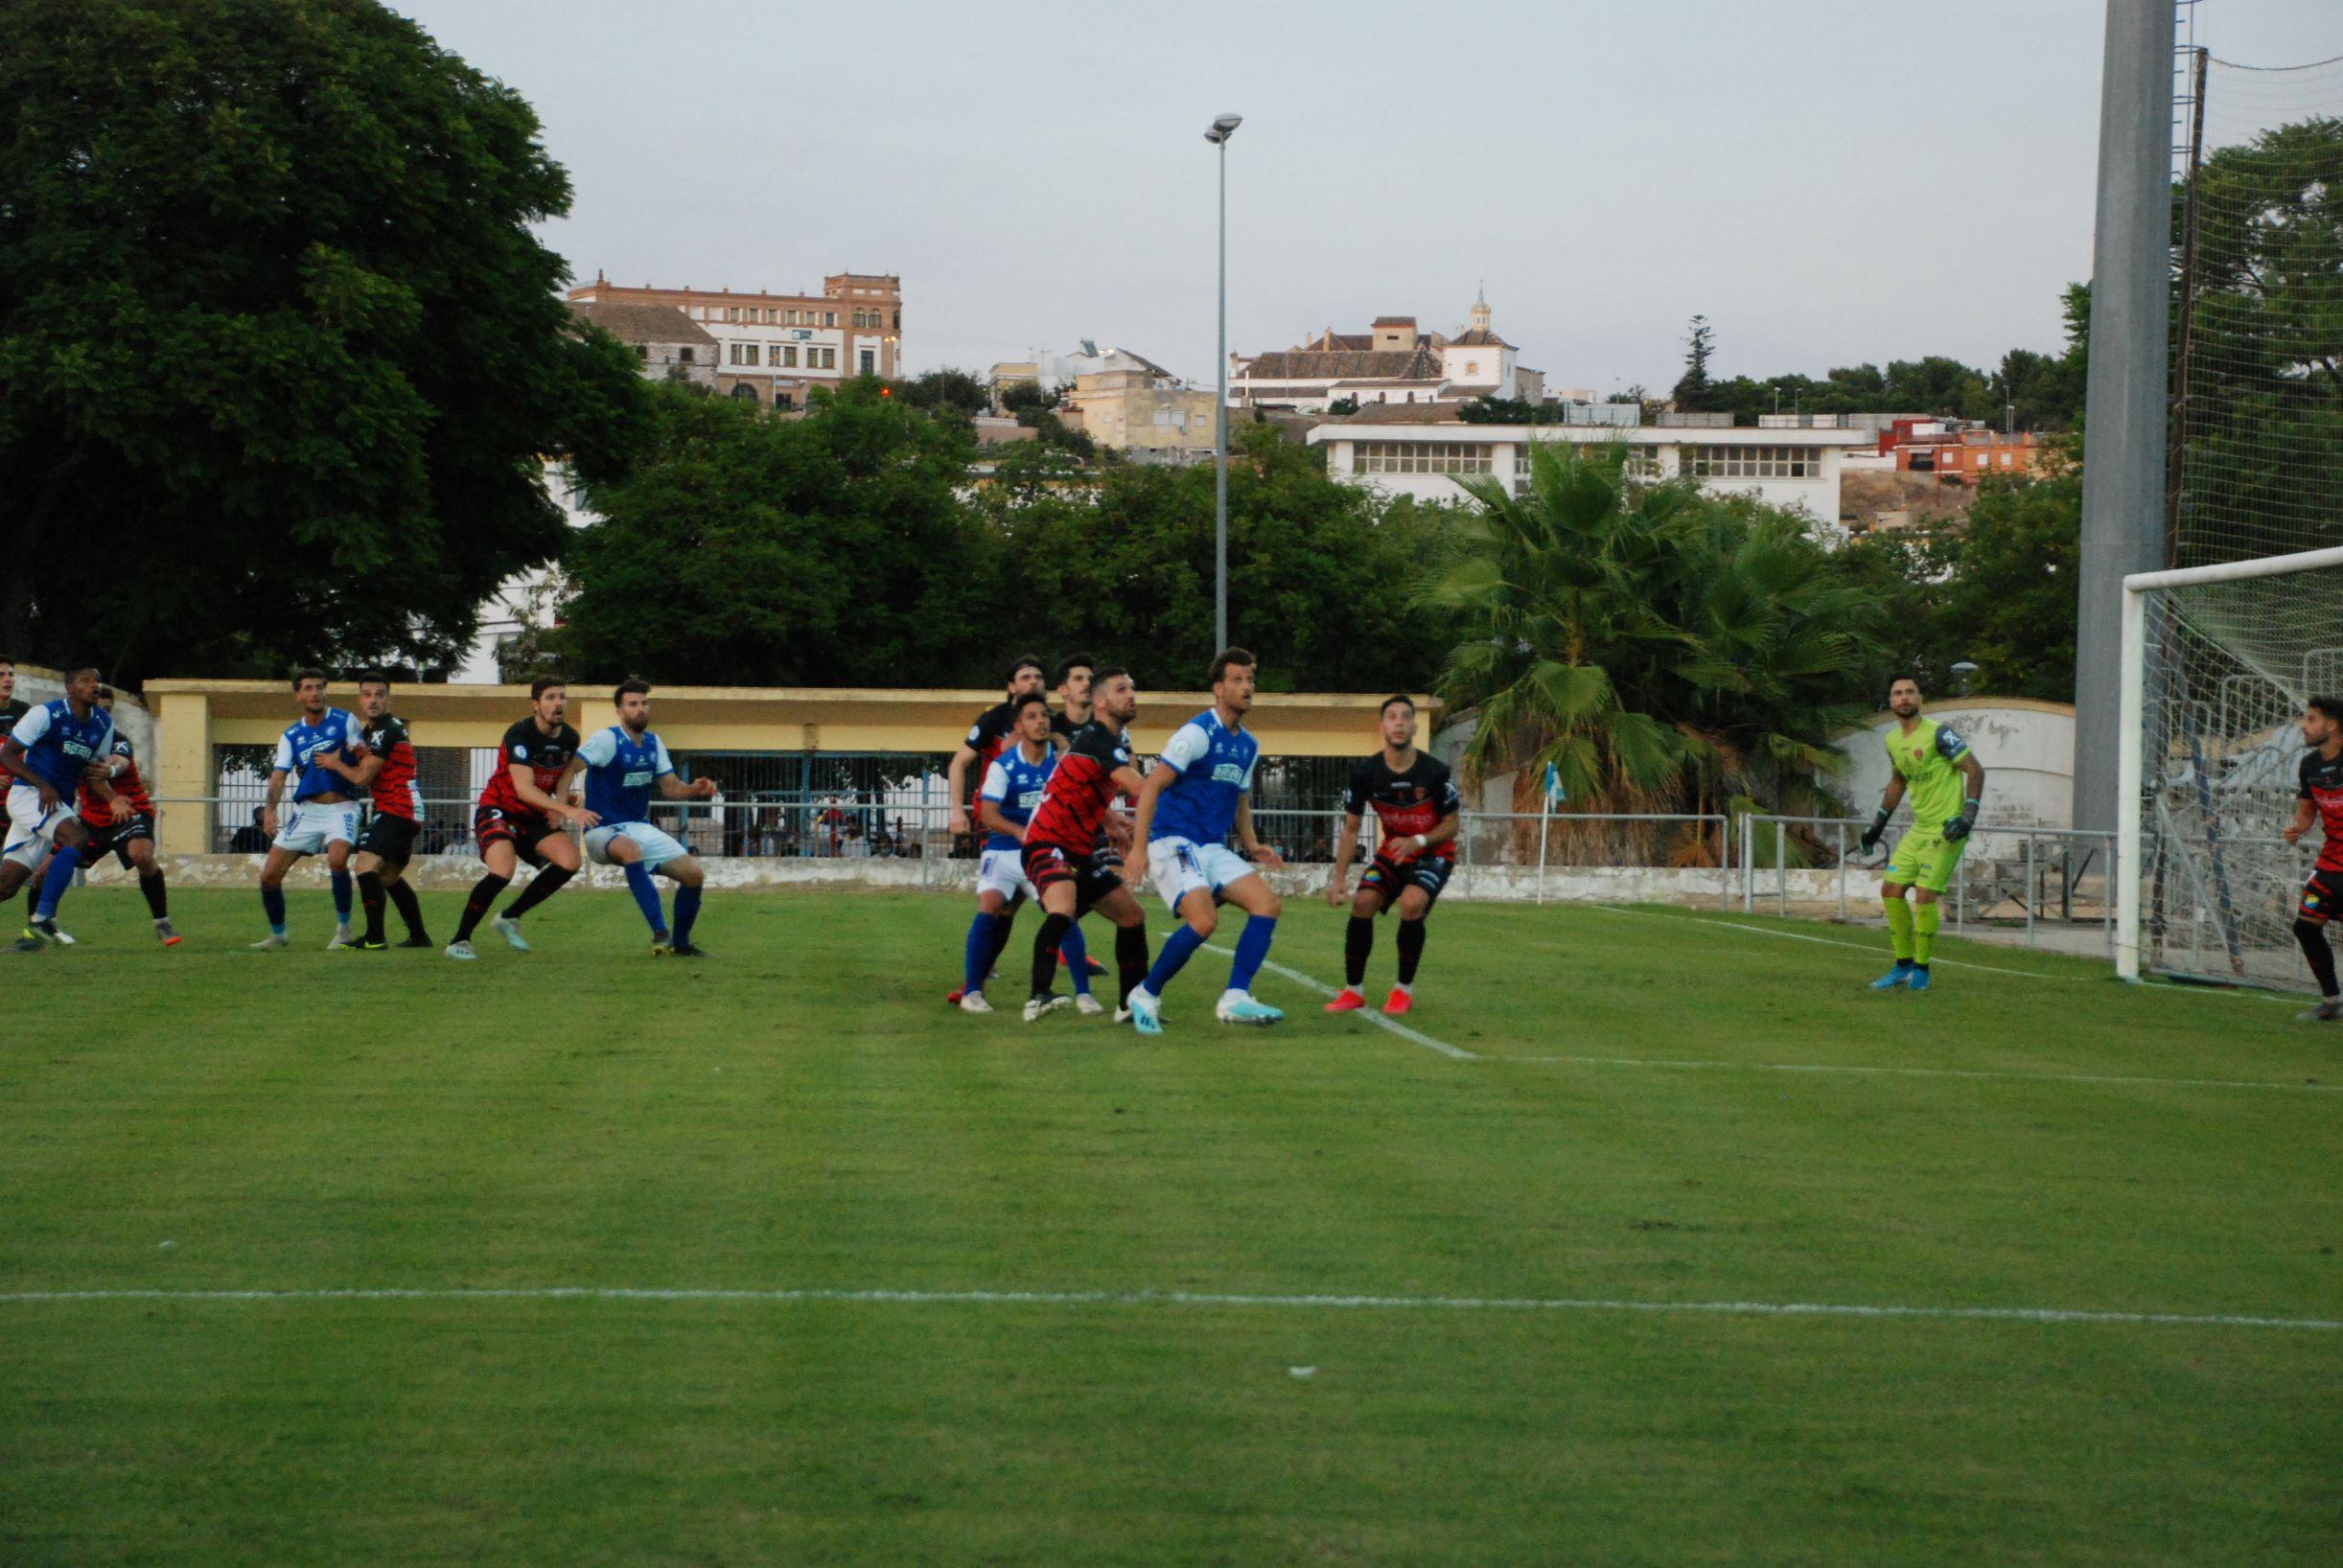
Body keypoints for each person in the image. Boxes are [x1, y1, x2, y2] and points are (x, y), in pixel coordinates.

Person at [1122, 648, 1287, 1033]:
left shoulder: (1248, 744)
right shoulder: (1196, 733)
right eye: (1237, 680)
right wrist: (1139, 848)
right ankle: (1146, 993)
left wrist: (1252, 843)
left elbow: (1240, 798)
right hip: (1173, 839)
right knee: (1204, 920)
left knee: (1267, 905)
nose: (1247, 687)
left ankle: (1235, 998)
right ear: (1218, 688)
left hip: (1210, 845)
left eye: (1250, 680)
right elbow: (1151, 789)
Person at [1018, 667, 1153, 1023]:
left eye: (1132, 688)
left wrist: (1108, 819)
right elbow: (1139, 788)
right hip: (1046, 841)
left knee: (1132, 915)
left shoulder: (1111, 743)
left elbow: (1077, 781)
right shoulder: (1099, 740)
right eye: (1122, 689)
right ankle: (1038, 996)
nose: (1131, 695)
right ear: (1100, 702)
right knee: (1062, 907)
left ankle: (1130, 1005)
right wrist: (1182, 778)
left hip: (1076, 846)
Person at [959, 691, 1097, 1015]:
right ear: (1018, 725)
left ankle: (1084, 994)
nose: (1041, 722)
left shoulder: (1061, 762)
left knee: (1063, 911)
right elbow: (988, 814)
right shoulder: (1003, 765)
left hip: (1044, 852)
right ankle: (973, 991)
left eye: (1045, 716)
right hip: (1005, 850)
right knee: (991, 904)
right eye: (1032, 716)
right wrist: (1023, 832)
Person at [1322, 695, 1461, 1015]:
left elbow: (1452, 825)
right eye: (1392, 717)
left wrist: (1419, 840)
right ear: (1381, 726)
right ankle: (1353, 991)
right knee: (1363, 902)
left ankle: (1402, 990)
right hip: (1394, 851)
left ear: (1414, 725)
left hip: (1433, 853)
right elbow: (1351, 829)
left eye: (1405, 717)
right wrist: (1339, 879)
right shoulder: (1365, 773)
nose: (1398, 722)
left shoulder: (1435, 773)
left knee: (1412, 904)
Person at [446, 676, 591, 960]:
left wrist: (560, 802)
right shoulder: (519, 734)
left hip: (533, 815)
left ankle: (510, 917)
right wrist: (567, 810)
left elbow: (565, 773)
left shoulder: (570, 737)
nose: (558, 703)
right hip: (499, 807)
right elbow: (524, 788)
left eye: (562, 696)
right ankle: (459, 940)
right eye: (551, 697)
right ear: (535, 705)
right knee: (502, 870)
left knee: (570, 861)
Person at [1860, 677, 1987, 992]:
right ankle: (1902, 964)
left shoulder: (1938, 733)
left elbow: (1975, 769)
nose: (1903, 698)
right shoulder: (1892, 741)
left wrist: (1967, 815)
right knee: (1890, 891)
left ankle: (1922, 969)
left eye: (1909, 692)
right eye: (1897, 693)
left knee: (1925, 895)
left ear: (1920, 698)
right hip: (1919, 829)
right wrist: (1877, 825)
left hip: (1947, 828)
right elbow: (1898, 782)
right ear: (1890, 702)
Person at [26, 685, 178, 946]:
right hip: (92, 821)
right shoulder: (75, 742)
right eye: (97, 708)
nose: (102, 714)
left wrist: (109, 770)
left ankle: (162, 922)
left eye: (107, 710)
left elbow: (119, 761)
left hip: (130, 813)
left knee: (141, 855)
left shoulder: (117, 739)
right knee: (41, 874)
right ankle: (35, 930)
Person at [576, 679, 719, 956]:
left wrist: (694, 789)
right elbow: (572, 765)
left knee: (693, 875)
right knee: (631, 850)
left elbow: (671, 788)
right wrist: (566, 805)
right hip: (601, 829)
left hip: (637, 827)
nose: (640, 709)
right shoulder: (607, 739)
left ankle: (681, 944)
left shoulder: (654, 743)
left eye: (644, 703)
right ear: (620, 711)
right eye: (633, 704)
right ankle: (659, 931)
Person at [1, 664, 123, 949]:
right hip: (29, 795)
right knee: (77, 837)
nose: (93, 685)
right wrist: (42, 785)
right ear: (70, 688)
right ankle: (43, 918)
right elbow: (7, 755)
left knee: (7, 885)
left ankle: (43, 919)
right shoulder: (46, 714)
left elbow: (93, 775)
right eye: (85, 680)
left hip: (55, 804)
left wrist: (113, 797)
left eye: (97, 680)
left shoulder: (103, 724)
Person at [253, 669, 367, 950]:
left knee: (338, 858)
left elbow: (365, 758)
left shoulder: (344, 720)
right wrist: (270, 811)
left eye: (319, 687)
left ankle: (343, 929)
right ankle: (279, 935)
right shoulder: (292, 735)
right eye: (308, 688)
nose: (314, 693)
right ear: (298, 695)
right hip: (308, 812)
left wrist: (345, 763)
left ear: (326, 691)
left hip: (343, 807)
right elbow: (279, 775)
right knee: (269, 877)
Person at [345, 672, 432, 951]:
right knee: (388, 876)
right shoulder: (371, 732)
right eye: (367, 694)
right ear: (360, 699)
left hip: (399, 808)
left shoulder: (387, 730)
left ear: (388, 699)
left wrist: (335, 763)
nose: (373, 700)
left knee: (365, 866)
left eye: (380, 695)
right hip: (405, 810)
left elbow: (361, 779)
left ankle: (375, 937)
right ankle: (419, 937)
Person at [2282, 697, 2343, 1021]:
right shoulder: (2310, 765)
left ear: (2332, 725)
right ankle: (2331, 1001)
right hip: (2331, 865)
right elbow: (2307, 810)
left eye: (2311, 719)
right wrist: (2297, 829)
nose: (2304, 726)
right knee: (2306, 927)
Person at [945, 654, 1048, 842]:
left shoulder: (1050, 721)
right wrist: (957, 811)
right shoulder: (994, 719)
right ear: (1011, 687)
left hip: (1040, 812)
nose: (1033, 682)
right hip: (997, 813)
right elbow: (958, 763)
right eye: (1026, 678)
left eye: (1038, 677)